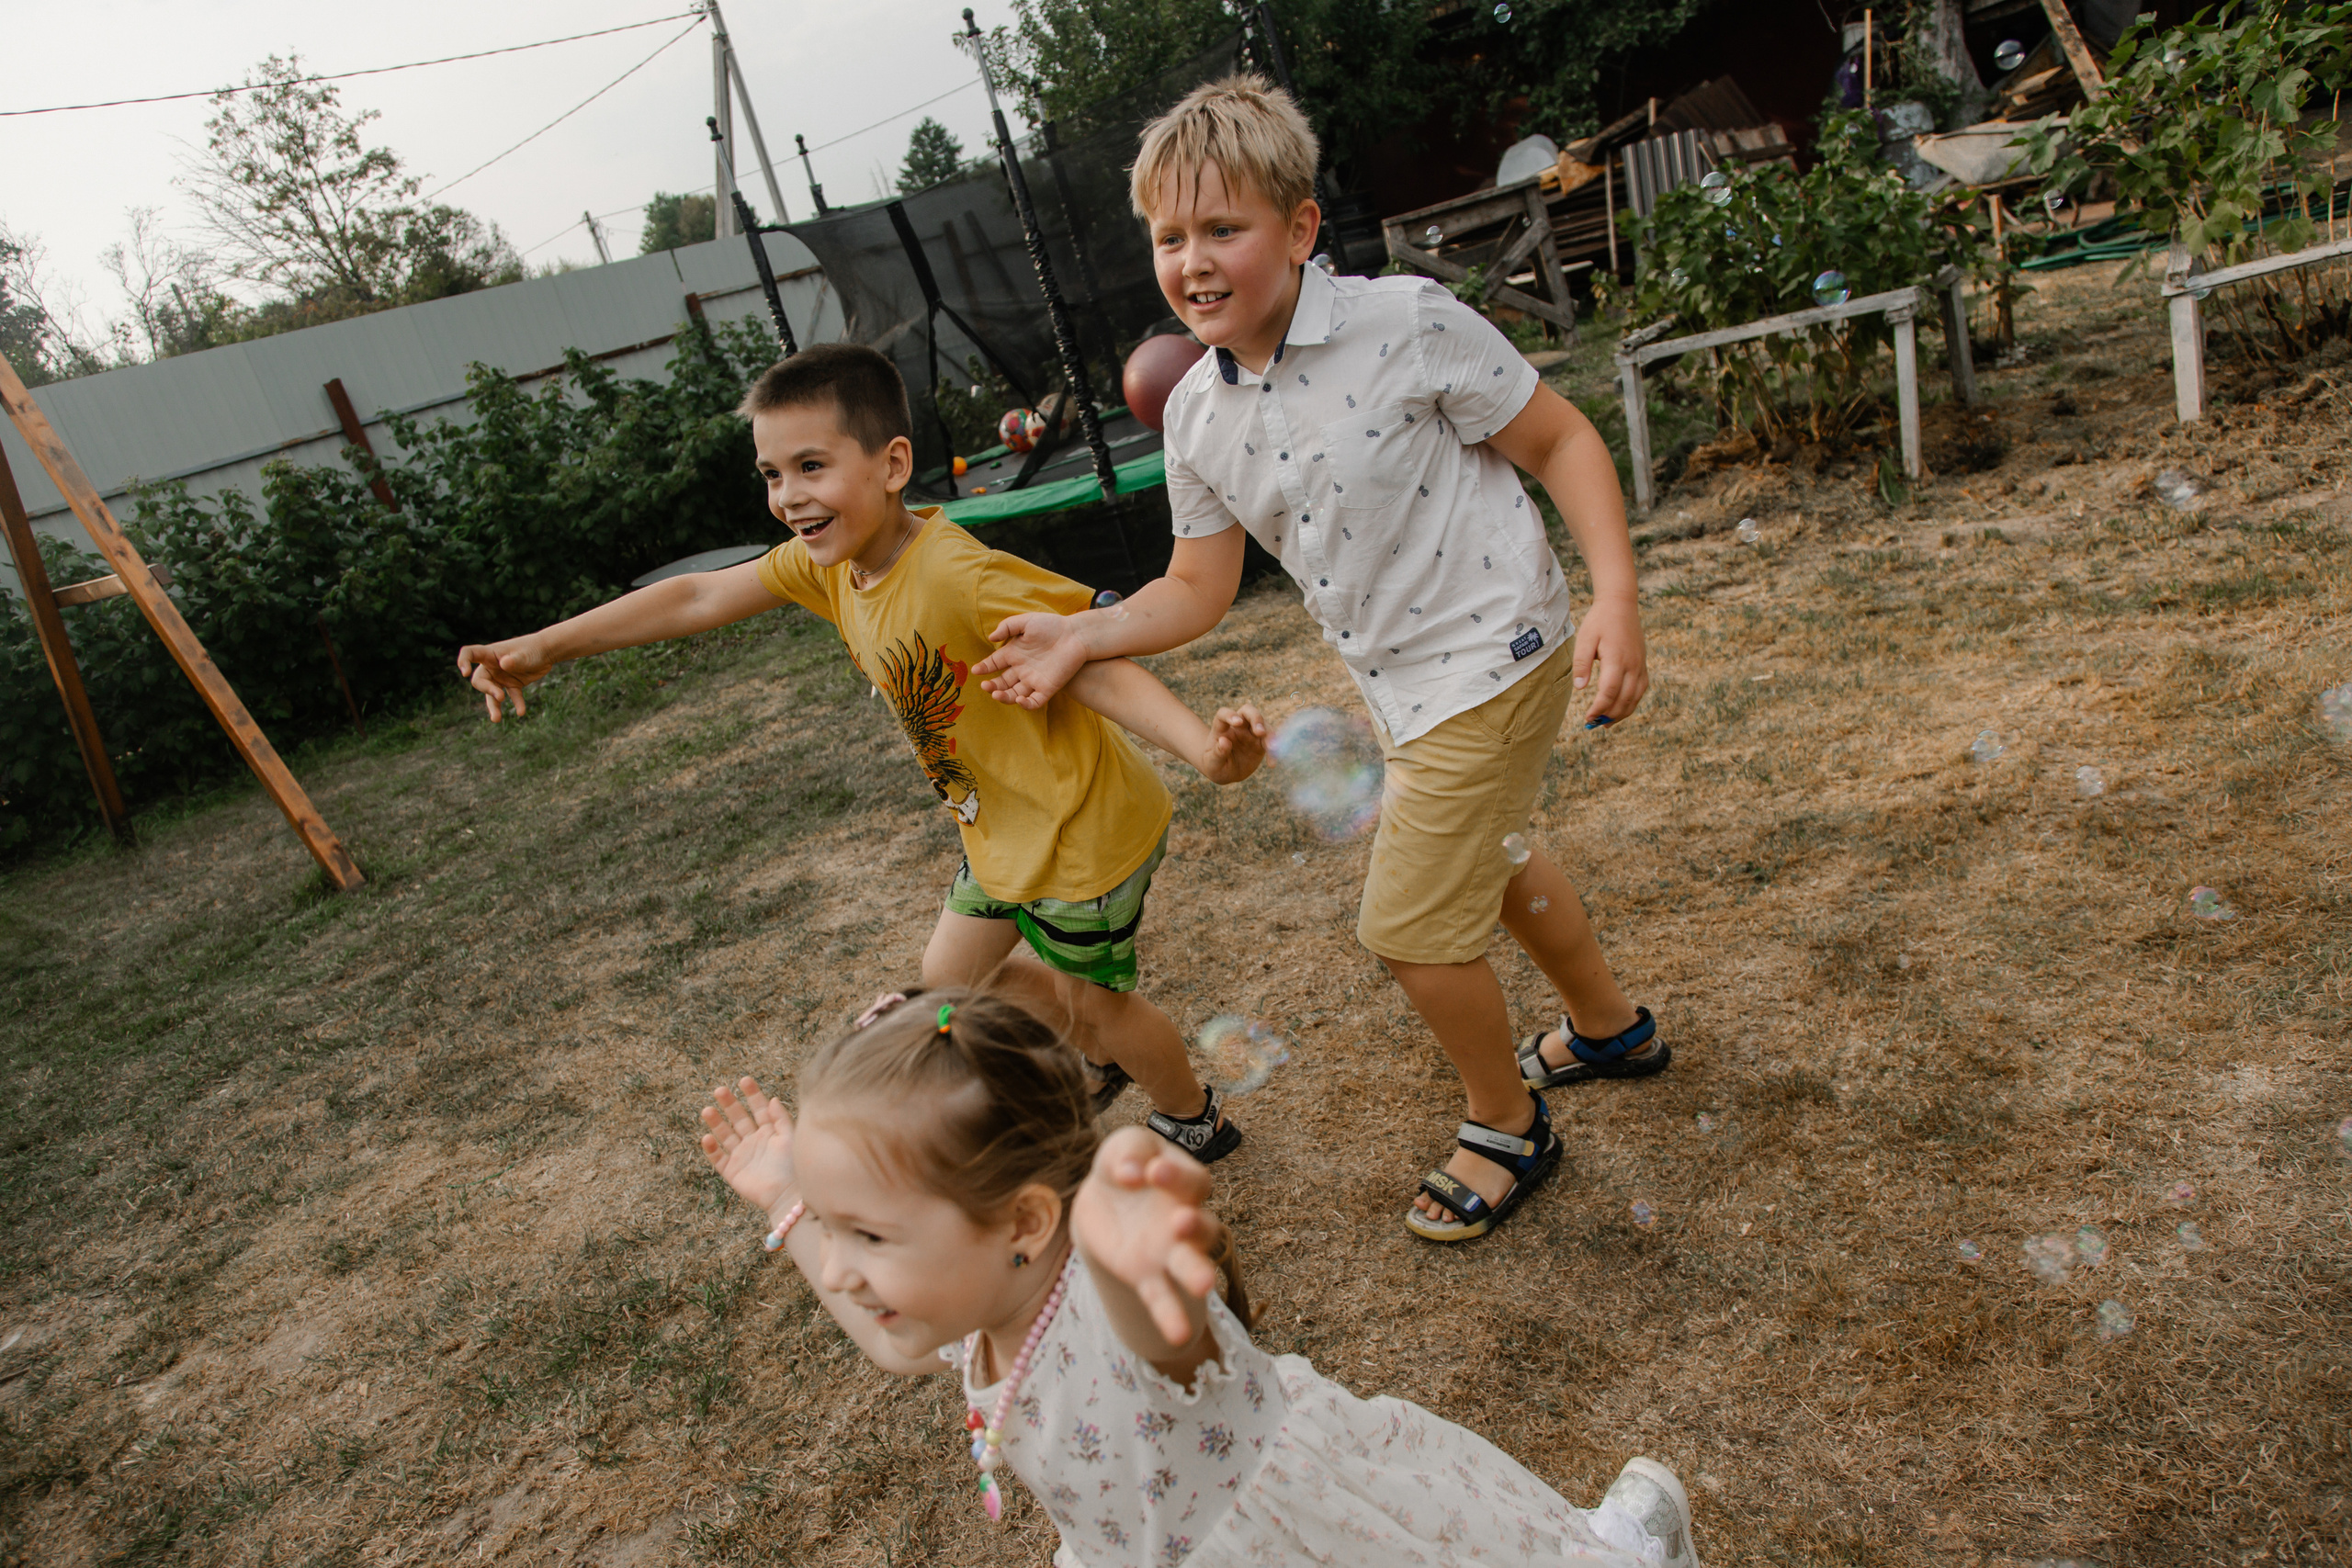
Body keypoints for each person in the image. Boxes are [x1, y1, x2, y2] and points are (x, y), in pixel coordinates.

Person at [969, 77, 1668, 1241]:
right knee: (1489, 853)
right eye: (1168, 237)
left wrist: (1618, 595)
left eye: (1222, 229)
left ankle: (1508, 1125)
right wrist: (1086, 629)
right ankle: (1607, 1027)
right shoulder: (1195, 412)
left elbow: (1559, 436)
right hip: (1401, 683)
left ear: (1298, 231)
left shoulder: (1409, 323)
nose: (1192, 260)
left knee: (1404, 927)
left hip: (1501, 649)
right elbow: (1197, 587)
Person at [457, 344, 1266, 1160]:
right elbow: (700, 591)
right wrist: (549, 645)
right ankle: (1091, 1037)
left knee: (1100, 1009)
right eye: (772, 474)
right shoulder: (833, 569)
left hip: (1083, 835)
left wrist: (1203, 748)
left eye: (811, 465)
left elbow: (1094, 665)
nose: (788, 496)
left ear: (892, 465)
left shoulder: (961, 577)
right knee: (947, 987)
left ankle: (1193, 1115)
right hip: (1001, 834)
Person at [696, 987, 1705, 1568]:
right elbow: (884, 1340)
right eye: (829, 1232)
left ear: (1025, 1222)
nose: (838, 1265)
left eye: (864, 1235)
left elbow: (1167, 1343)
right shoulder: (968, 1297)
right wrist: (785, 1202)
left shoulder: (1109, 1298)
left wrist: (1139, 1262)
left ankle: (1620, 1552)